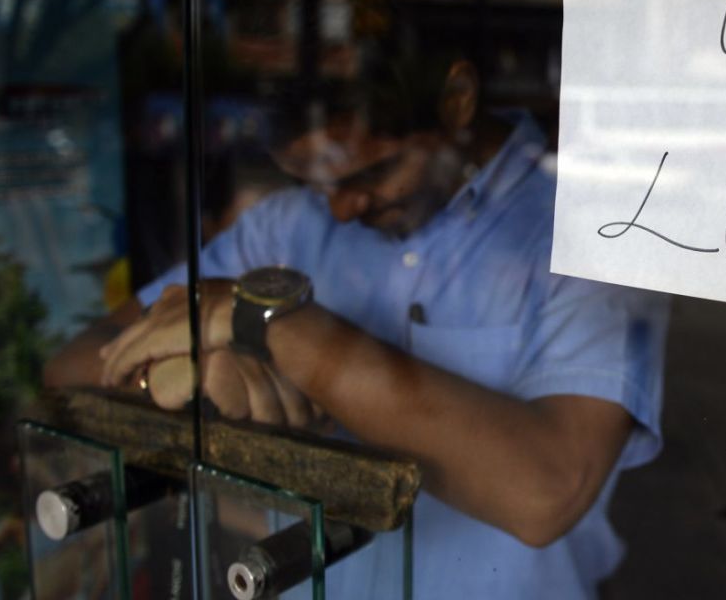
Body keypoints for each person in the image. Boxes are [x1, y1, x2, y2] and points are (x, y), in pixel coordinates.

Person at [44, 53, 670, 599]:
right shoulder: (287, 227)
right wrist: (188, 379)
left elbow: (546, 493)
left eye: (371, 172)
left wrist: (267, 324)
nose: (343, 207)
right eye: (319, 184)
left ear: (457, 103)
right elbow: (73, 366)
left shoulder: (593, 234)